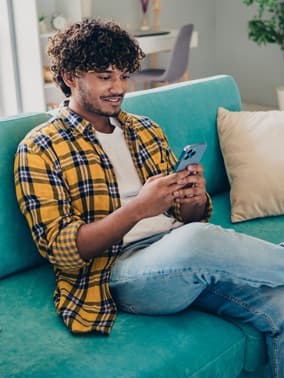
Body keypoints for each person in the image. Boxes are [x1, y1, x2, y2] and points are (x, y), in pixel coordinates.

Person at [14, 18, 284, 377]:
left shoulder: (144, 129)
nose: (118, 88)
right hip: (117, 273)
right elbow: (64, 252)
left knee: (279, 306)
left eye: (124, 76)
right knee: (196, 240)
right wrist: (139, 209)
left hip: (182, 259)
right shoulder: (40, 147)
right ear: (68, 76)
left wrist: (193, 197)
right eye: (105, 76)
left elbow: (189, 219)